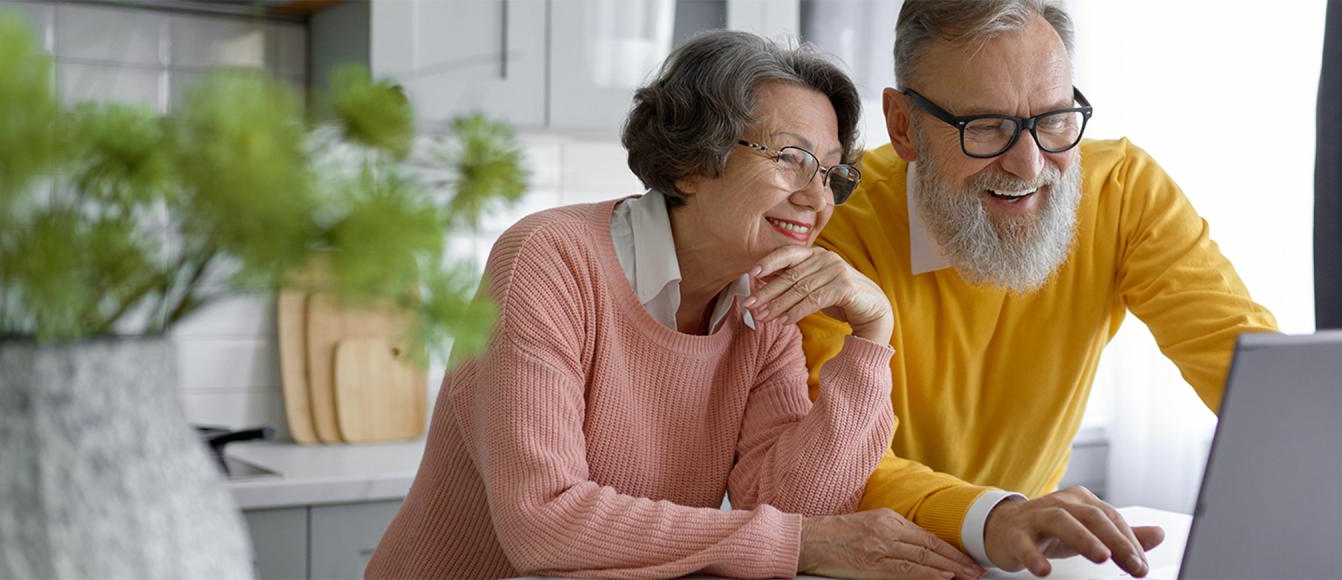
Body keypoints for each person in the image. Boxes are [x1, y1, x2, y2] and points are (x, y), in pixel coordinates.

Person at [745, 2, 1342, 579]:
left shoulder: (1122, 188)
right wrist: (992, 514)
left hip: (1026, 560)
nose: (1031, 164)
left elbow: (1252, 370)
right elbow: (821, 458)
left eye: (1053, 120)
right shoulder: (829, 224)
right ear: (904, 127)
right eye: (988, 129)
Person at [365, 31, 982, 579]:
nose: (816, 198)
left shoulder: (760, 305)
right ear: (690, 162)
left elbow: (797, 507)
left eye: (830, 174)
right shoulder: (549, 260)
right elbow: (545, 522)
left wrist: (873, 335)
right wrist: (794, 543)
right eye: (792, 159)